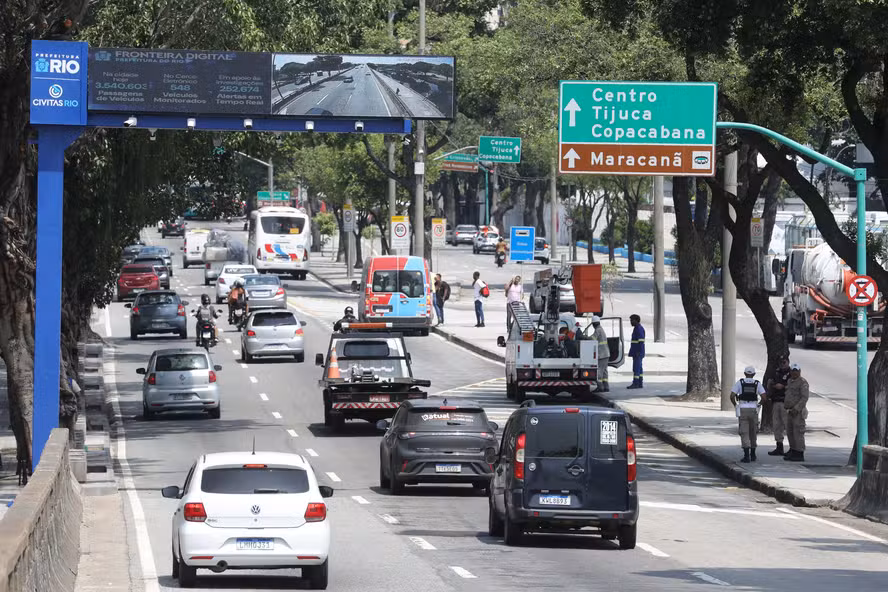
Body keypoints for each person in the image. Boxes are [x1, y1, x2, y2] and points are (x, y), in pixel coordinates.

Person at [730, 366, 765, 462]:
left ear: (745, 373)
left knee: (744, 432)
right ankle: (753, 455)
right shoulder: (757, 383)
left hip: (743, 409)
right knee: (753, 432)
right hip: (753, 409)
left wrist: (735, 405)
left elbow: (732, 395)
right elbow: (764, 397)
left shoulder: (740, 383)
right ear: (753, 374)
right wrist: (759, 405)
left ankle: (746, 456)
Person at [766, 356, 792, 456]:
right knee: (777, 425)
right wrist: (772, 387)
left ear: (788, 362)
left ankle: (792, 447)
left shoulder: (791, 373)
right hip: (776, 401)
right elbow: (770, 383)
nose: (782, 364)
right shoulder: (776, 372)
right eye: (781, 363)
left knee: (788, 425)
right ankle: (779, 446)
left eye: (784, 362)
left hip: (786, 402)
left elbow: (793, 387)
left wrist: (783, 386)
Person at [783, 363, 809, 462]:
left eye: (796, 370)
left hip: (798, 412)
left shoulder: (803, 383)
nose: (794, 372)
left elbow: (804, 398)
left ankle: (799, 453)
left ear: (799, 372)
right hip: (789, 411)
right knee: (790, 432)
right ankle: (793, 450)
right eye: (792, 370)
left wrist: (796, 408)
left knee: (798, 432)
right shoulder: (790, 381)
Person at [590, 315, 610, 392]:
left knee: (599, 371)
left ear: (594, 324)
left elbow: (593, 338)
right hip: (606, 354)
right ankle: (606, 386)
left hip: (601, 354)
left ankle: (600, 387)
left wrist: (585, 337)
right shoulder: (601, 329)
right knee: (604, 371)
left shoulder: (598, 330)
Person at [627, 314, 645, 389]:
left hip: (638, 352)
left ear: (636, 320)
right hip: (637, 352)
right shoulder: (637, 328)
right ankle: (640, 383)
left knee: (636, 368)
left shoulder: (638, 329)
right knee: (639, 368)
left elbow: (641, 341)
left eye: (632, 320)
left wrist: (638, 351)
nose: (631, 322)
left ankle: (636, 383)